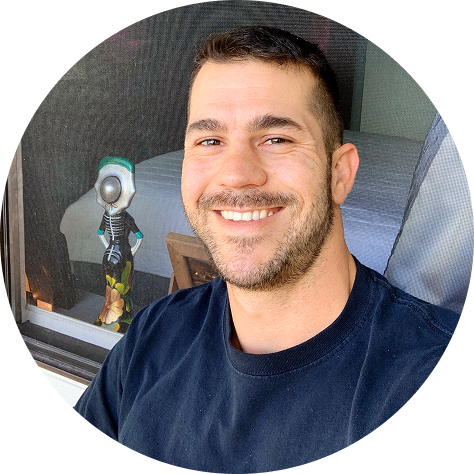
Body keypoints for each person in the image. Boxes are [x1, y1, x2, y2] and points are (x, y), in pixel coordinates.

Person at [74, 26, 460, 472]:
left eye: (276, 138)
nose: (236, 174)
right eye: (210, 141)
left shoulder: (419, 368)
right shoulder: (154, 336)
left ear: (340, 174)